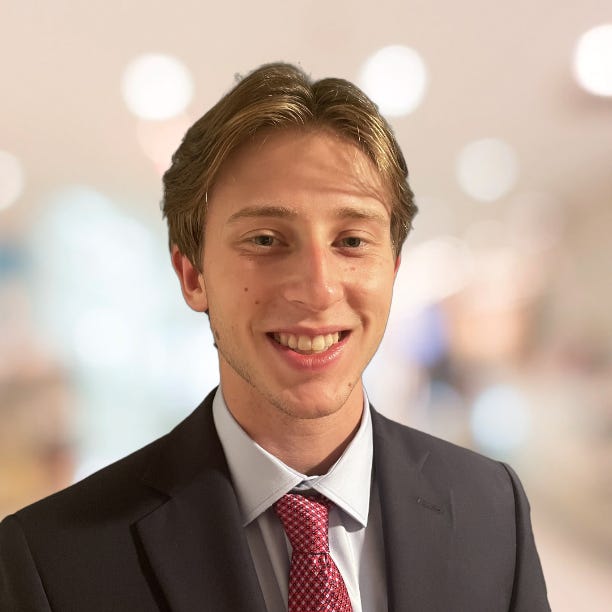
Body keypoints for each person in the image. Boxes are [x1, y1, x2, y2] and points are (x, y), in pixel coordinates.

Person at [0, 63, 550, 611]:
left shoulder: (492, 508)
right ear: (193, 275)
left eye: (352, 241)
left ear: (393, 270)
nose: (318, 289)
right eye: (265, 239)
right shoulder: (55, 561)